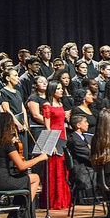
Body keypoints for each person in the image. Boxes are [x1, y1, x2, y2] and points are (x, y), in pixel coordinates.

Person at [0, 112, 49, 218]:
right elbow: (21, 166)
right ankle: (23, 212)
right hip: (3, 181)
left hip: (1, 179)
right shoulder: (7, 144)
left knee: (24, 179)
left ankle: (20, 213)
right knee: (35, 178)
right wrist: (40, 158)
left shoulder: (5, 143)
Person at [41, 79, 72, 209]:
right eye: (58, 88)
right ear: (52, 90)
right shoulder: (47, 105)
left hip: (62, 138)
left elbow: (63, 124)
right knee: (54, 168)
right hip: (53, 138)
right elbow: (47, 127)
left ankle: (63, 199)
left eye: (61, 88)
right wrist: (51, 144)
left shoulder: (60, 104)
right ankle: (54, 200)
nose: (61, 90)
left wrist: (65, 140)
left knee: (63, 168)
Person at [66, 114, 98, 205]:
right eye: (85, 122)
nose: (88, 124)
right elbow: (88, 155)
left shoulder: (80, 137)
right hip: (82, 169)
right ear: (78, 125)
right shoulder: (75, 140)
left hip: (85, 165)